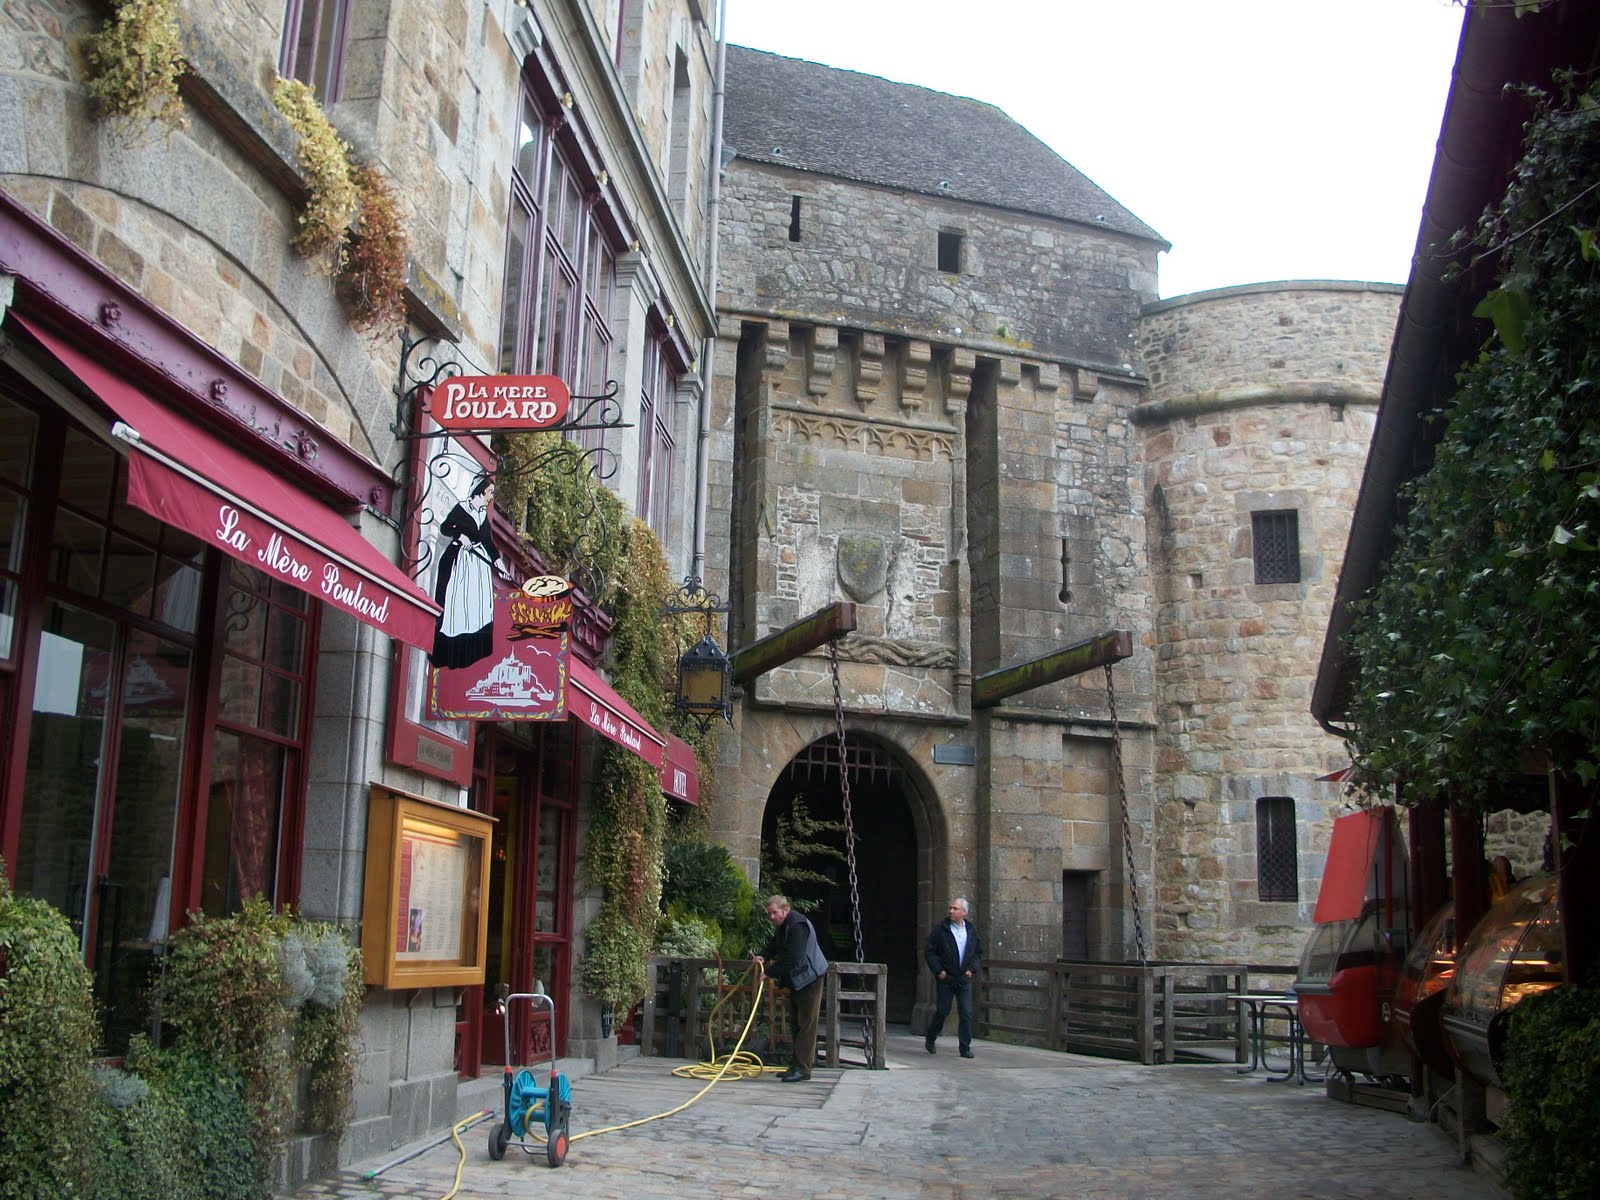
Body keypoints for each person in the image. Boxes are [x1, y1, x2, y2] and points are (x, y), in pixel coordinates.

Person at [430, 475, 508, 669]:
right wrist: (460, 536)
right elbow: (445, 527)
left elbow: (489, 543)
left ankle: (469, 656)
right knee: (457, 607)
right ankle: (448, 653)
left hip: (478, 567)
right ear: (480, 492)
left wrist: (499, 564)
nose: (491, 497)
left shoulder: (482, 515)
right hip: (460, 562)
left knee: (475, 611)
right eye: (490, 493)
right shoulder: (462, 508)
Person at [753, 894, 828, 1082]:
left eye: (774, 913)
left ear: (785, 910)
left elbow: (793, 957)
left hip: (810, 977)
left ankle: (803, 1069)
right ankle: (796, 1065)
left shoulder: (798, 926)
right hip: (798, 979)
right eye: (769, 914)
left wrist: (769, 972)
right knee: (795, 1023)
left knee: (806, 1023)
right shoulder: (784, 926)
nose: (771, 917)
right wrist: (763, 955)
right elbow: (775, 945)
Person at [924, 896, 981, 1059]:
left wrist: (972, 969)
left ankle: (965, 1048)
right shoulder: (940, 929)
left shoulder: (971, 930)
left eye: (955, 909)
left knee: (966, 1012)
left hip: (963, 978)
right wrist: (938, 970)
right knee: (943, 1010)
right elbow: (930, 951)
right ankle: (931, 1037)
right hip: (946, 977)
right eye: (951, 908)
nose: (951, 911)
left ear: (964, 912)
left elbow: (977, 952)